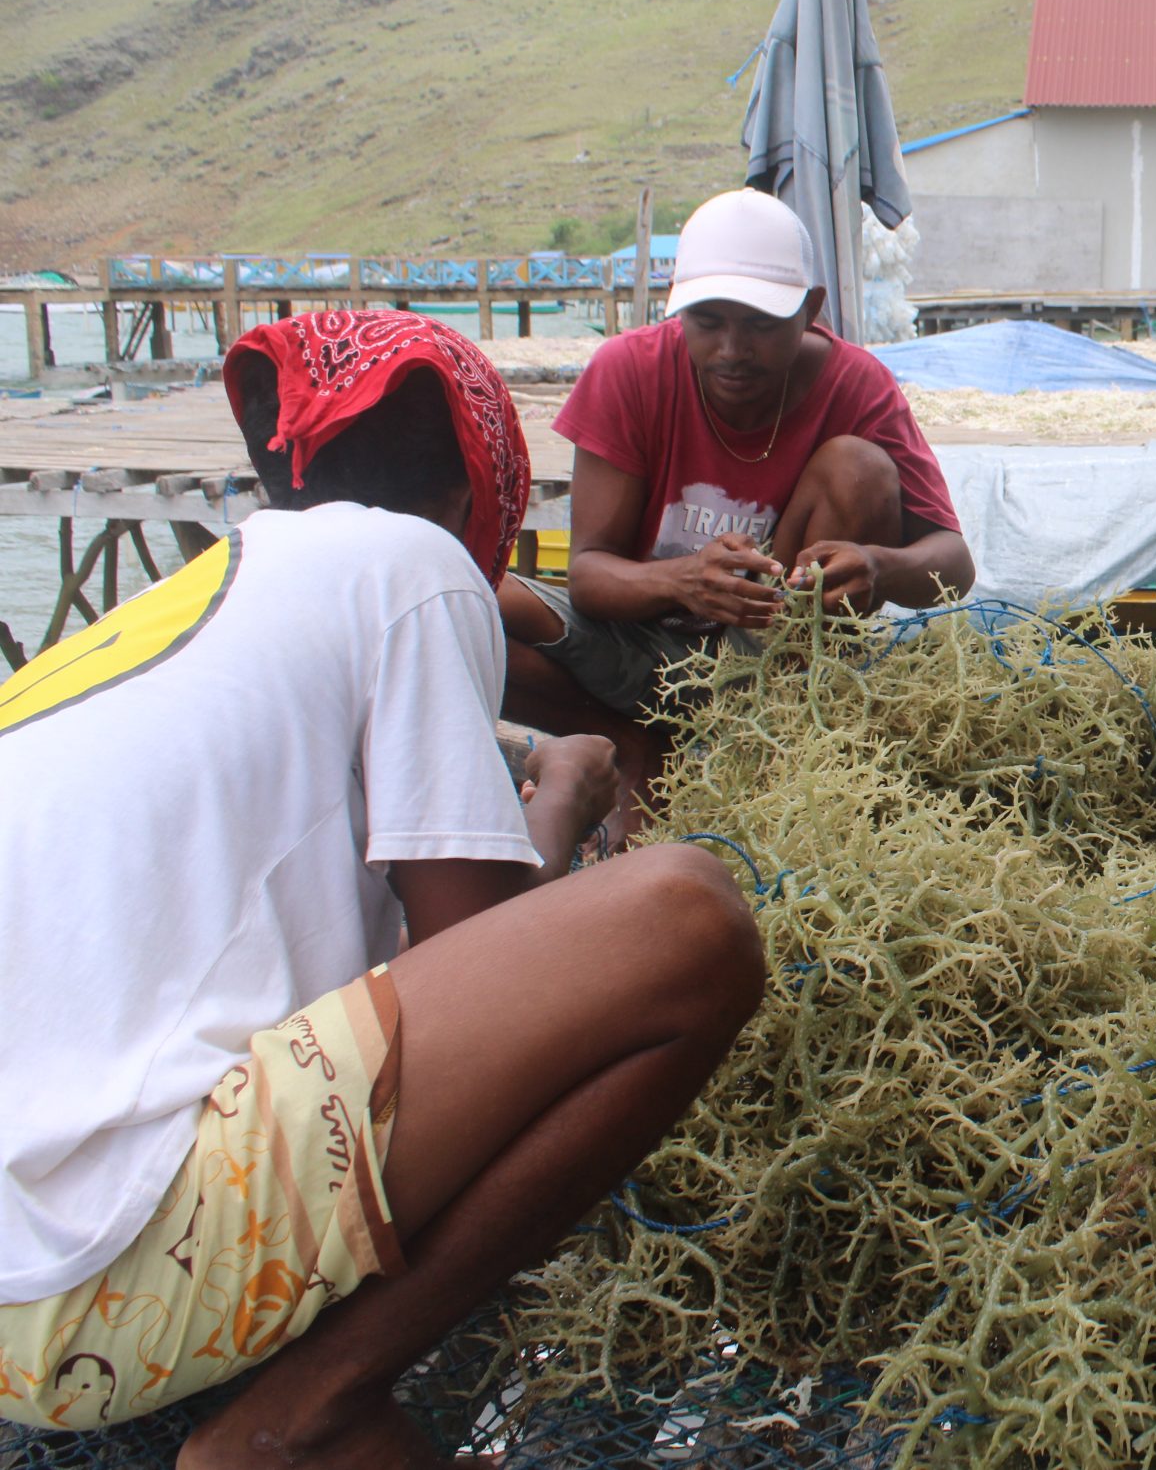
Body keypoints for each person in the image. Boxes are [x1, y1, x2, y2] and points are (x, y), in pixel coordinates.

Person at [0, 311, 765, 1466]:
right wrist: (562, 795)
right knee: (686, 917)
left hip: (25, 1267)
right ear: (475, 486)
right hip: (96, 1279)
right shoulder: (410, 564)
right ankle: (304, 1412)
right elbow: (467, 954)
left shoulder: (177, 612)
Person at [499, 189, 974, 828]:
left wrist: (877, 566)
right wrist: (684, 580)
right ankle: (631, 743)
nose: (731, 349)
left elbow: (954, 562)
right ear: (680, 311)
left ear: (811, 311)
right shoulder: (627, 370)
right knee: (475, 596)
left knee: (857, 467)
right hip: (635, 646)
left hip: (768, 662)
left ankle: (764, 748)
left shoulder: (855, 384)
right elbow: (588, 575)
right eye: (708, 322)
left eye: (759, 324)